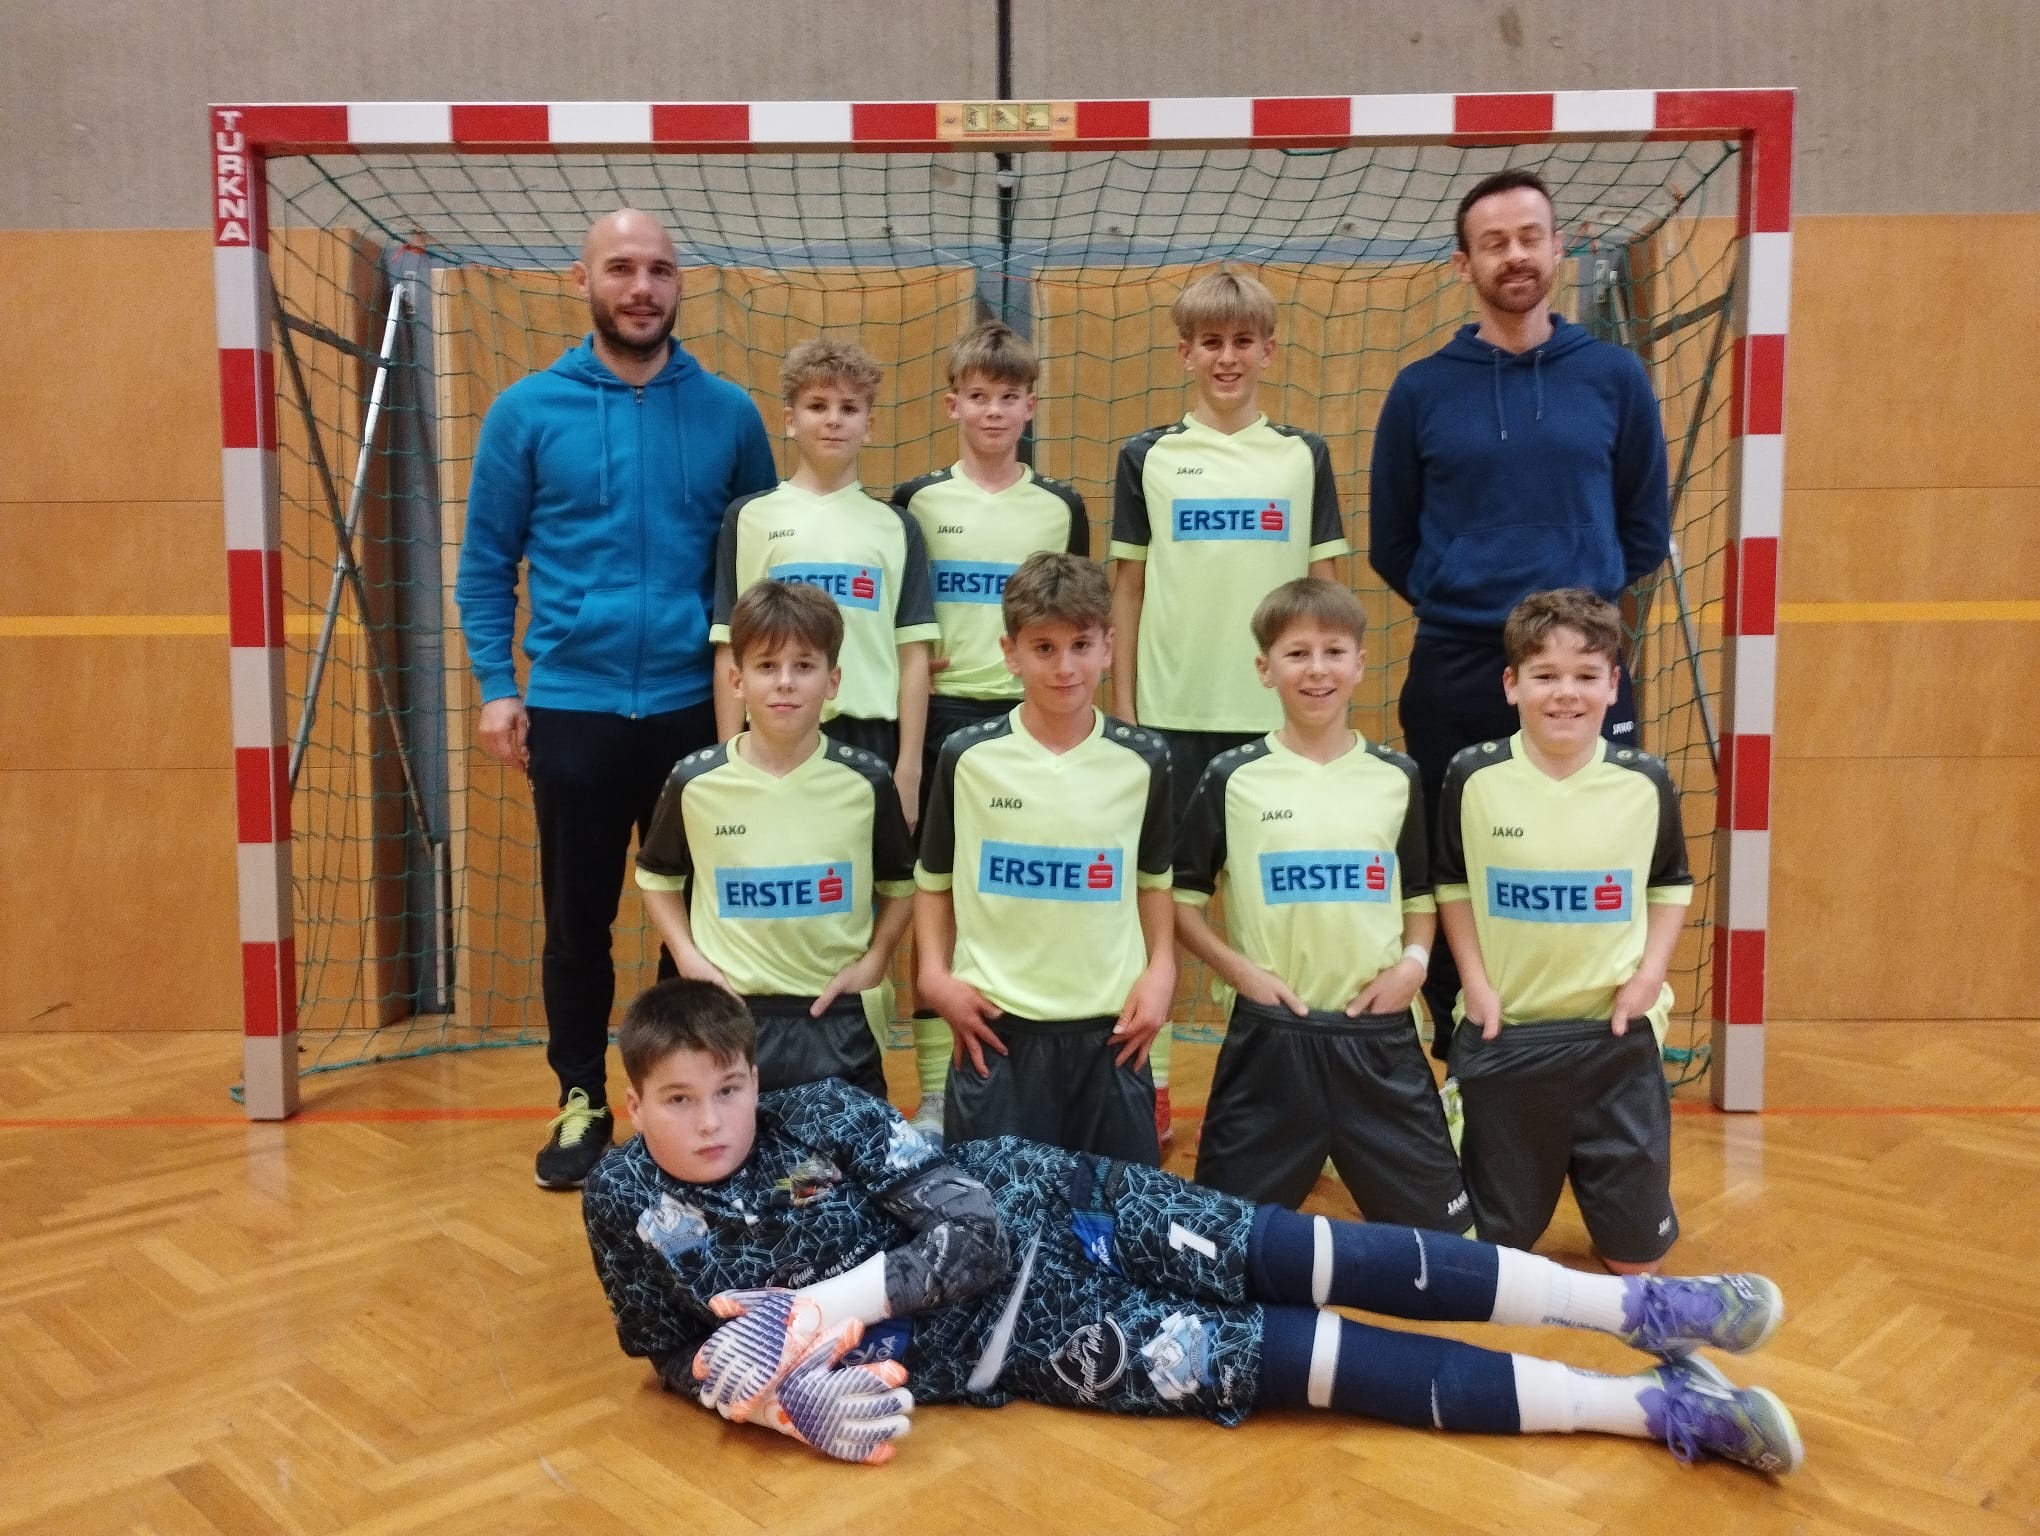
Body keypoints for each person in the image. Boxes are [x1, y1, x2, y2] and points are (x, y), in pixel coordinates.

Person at [581, 977, 1802, 1476]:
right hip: (1034, 1343)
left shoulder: (823, 1112)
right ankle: (1656, 1411)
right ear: (634, 1106)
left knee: (1320, 1255)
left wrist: (810, 1316)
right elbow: (663, 1344)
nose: (712, 1121)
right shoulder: (622, 1203)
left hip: (1066, 1203)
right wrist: (756, 1396)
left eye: (728, 1089)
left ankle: (1638, 1308)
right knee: (1314, 1362)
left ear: (755, 1076)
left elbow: (973, 1233)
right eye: (679, 1102)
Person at [454, 207, 776, 1190]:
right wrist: (499, 688)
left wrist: (758, 694)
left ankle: (701, 1105)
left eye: (660, 270)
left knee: (703, 927)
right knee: (577, 923)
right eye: (622, 268)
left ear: (681, 284)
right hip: (575, 709)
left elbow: (762, 564)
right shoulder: (525, 412)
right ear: (582, 280)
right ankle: (583, 1099)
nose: (642, 288)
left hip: (697, 710)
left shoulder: (730, 414)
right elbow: (484, 564)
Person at [1368, 168, 1672, 1045]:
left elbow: (1643, 527)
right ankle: (1463, 1050)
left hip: (1584, 668)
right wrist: (1468, 598)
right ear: (1464, 264)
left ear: (1558, 248)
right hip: (1458, 667)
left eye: (1530, 237)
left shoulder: (1613, 377)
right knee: (1453, 858)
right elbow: (1393, 540)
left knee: (1591, 853)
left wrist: (1574, 627)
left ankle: (1594, 1044)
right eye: (1494, 243)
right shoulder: (1421, 390)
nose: (1515, 256)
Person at [1108, 268, 1352, 1141]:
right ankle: (1153, 1086)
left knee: (1276, 913)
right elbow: (1127, 589)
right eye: (1210, 342)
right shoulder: (1148, 456)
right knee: (1155, 909)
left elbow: (1327, 591)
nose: (1227, 357)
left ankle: (1297, 1089)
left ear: (1268, 351)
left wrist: (1326, 708)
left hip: (1274, 724)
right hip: (1171, 716)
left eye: (1243, 341)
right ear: (1184, 353)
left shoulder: (1301, 456)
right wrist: (1126, 712)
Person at [1173, 579, 1466, 1228]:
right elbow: (1180, 903)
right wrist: (1241, 974)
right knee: (1220, 1239)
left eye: (1334, 652)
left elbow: (1419, 895)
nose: (1317, 669)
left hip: (1378, 1031)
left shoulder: (1397, 777)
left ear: (1360, 664)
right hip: (1273, 1035)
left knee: (1447, 1240)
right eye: (1297, 653)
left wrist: (1414, 965)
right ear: (1265, 668)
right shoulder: (1232, 777)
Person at [1432, 590, 1693, 1272]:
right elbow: (1453, 886)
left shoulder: (1645, 781)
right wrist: (1475, 984)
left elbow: (1670, 885)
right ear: (1512, 684)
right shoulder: (1473, 774)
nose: (1565, 693)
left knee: (1634, 1263)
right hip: (1507, 1033)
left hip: (1614, 1038)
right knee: (1495, 1258)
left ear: (1613, 685)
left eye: (1585, 674)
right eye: (1545, 674)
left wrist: (1650, 977)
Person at [891, 321, 1089, 1144]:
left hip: (1032, 718)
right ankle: (938, 1090)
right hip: (943, 718)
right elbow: (898, 615)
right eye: (979, 396)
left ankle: (1047, 1074)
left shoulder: (1059, 506)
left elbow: (1076, 614)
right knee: (936, 896)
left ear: (1031, 405)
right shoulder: (916, 501)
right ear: (953, 405)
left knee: (1023, 891)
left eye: (1010, 396)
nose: (995, 410)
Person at [914, 551, 1174, 1162]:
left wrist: (1162, 969)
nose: (1065, 667)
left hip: (1111, 1033)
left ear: (1109, 647)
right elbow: (933, 881)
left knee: (1115, 1208)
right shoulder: (965, 756)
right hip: (995, 1033)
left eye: (1081, 645)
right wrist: (933, 975)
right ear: (1010, 653)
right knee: (995, 1209)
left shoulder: (1145, 759)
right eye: (1044, 648)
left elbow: (1153, 882)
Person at [633, 580, 915, 1101]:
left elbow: (901, 885)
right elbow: (655, 878)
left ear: (833, 680)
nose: (785, 682)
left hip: (837, 1014)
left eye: (803, 666)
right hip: (730, 1017)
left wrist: (875, 960)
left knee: (846, 1152)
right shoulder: (694, 781)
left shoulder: (868, 781)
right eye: (767, 666)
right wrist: (689, 960)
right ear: (737, 680)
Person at [710, 337, 939, 827]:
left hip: (871, 736)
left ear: (869, 426)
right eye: (817, 406)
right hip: (773, 731)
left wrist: (909, 768)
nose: (834, 419)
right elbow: (730, 644)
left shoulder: (898, 527)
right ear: (790, 420)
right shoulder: (748, 518)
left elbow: (913, 653)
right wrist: (727, 756)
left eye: (849, 408)